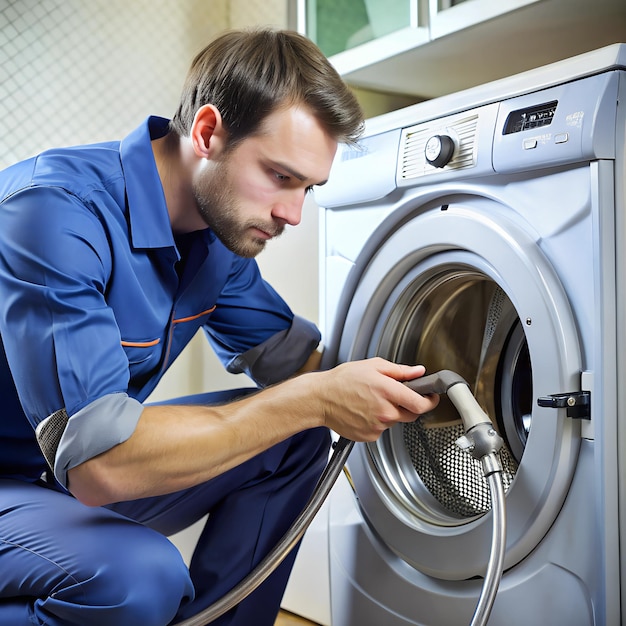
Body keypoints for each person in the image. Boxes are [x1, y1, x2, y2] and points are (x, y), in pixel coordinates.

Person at [0, 28, 439, 626]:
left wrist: (437, 371)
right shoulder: (52, 213)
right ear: (207, 133)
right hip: (34, 480)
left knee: (297, 438)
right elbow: (99, 466)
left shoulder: (217, 244)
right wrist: (314, 397)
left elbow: (306, 367)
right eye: (281, 177)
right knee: (139, 575)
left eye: (309, 188)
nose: (293, 214)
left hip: (61, 484)